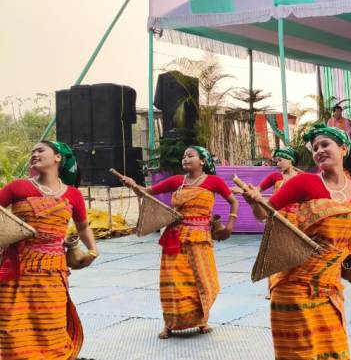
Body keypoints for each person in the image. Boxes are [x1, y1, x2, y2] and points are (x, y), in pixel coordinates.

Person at [241, 124, 351, 360]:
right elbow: (263, 215)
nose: (319, 151)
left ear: (344, 149)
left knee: (334, 352)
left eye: (325, 144)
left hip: (330, 287)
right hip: (294, 285)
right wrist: (254, 201)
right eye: (315, 148)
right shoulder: (302, 183)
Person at [120, 146, 239, 339]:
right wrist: (133, 184)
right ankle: (169, 324)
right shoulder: (177, 181)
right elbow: (146, 192)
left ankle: (202, 321)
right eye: (184, 156)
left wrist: (230, 225)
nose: (185, 159)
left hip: (200, 240)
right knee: (173, 283)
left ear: (203, 161)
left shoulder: (214, 181)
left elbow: (234, 201)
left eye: (190, 155)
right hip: (175, 238)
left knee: (201, 281)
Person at [0, 140, 97, 360]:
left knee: (51, 328)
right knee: (12, 329)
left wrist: (92, 250)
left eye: (40, 150)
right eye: (32, 151)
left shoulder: (72, 194)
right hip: (17, 270)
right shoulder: (17, 187)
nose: (34, 154)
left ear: (57, 157)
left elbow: (83, 226)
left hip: (52, 273)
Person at [256, 147, 303, 299]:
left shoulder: (303, 177)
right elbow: (257, 190)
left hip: (297, 219)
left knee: (294, 253)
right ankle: (273, 288)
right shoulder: (275, 177)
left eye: (281, 160)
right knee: (274, 253)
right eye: (276, 160)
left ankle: (292, 284)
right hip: (276, 218)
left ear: (291, 160)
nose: (278, 163)